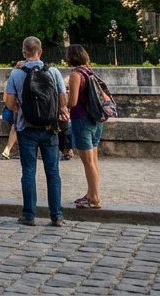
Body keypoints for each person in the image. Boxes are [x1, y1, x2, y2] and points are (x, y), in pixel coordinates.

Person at [4, 36, 70, 227]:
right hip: (50, 128)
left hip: (26, 128)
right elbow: (63, 101)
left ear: (24, 53)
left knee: (28, 172)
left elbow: (9, 103)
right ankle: (56, 215)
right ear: (40, 51)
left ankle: (29, 215)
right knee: (53, 172)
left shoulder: (16, 74)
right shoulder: (54, 72)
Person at [65, 44, 104, 209]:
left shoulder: (76, 74)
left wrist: (63, 101)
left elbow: (72, 102)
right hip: (95, 119)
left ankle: (94, 198)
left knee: (87, 162)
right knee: (93, 160)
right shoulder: (90, 72)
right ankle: (91, 193)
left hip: (81, 119)